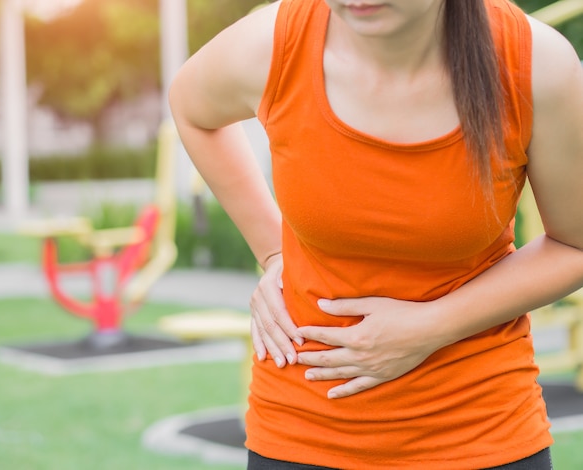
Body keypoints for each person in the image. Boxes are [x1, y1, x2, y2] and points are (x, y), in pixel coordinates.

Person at [169, 0, 583, 468]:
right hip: (301, 431)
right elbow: (191, 107)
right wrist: (273, 253)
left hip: (481, 433)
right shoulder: (273, 43)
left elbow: (575, 245)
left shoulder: (535, 63)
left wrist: (430, 328)